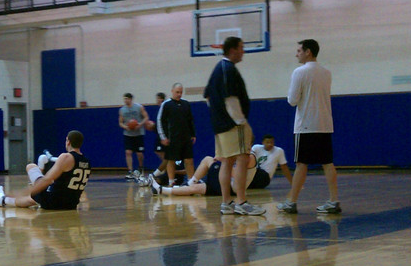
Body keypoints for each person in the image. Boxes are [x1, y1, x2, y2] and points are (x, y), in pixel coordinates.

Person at [203, 36, 265, 216]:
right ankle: (241, 202)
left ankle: (226, 203)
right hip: (232, 125)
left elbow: (208, 96)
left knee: (227, 161)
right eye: (241, 48)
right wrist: (242, 123)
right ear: (233, 50)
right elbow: (230, 99)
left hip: (220, 126)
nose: (243, 51)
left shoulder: (218, 69)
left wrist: (218, 116)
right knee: (243, 158)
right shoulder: (228, 70)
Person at [279, 39, 340, 214]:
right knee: (328, 163)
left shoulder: (299, 72)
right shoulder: (326, 72)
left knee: (301, 164)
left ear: (308, 52)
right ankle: (334, 200)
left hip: (305, 125)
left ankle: (291, 202)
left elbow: (292, 100)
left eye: (299, 50)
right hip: (325, 124)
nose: (296, 54)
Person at [0, 130, 90, 210]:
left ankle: (3, 200)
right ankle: (2, 200)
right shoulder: (87, 161)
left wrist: (27, 190)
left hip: (53, 201)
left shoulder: (66, 157)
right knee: (34, 199)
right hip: (71, 204)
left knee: (31, 166)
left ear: (68, 141)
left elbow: (47, 180)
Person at [142, 154, 265, 214]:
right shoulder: (241, 156)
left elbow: (236, 175)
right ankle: (161, 190)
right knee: (195, 189)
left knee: (207, 160)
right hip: (226, 186)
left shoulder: (249, 158)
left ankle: (190, 181)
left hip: (232, 187)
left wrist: (224, 161)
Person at [157, 82, 196, 188]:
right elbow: (160, 120)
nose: (179, 94)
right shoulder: (166, 104)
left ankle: (191, 181)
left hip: (185, 137)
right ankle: (171, 181)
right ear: (172, 91)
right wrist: (163, 137)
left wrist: (193, 134)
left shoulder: (186, 104)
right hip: (172, 138)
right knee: (171, 160)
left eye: (181, 92)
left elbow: (190, 120)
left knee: (189, 159)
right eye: (177, 92)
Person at [118, 93, 150, 179]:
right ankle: (130, 171)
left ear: (131, 99)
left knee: (139, 154)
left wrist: (140, 124)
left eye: (127, 99)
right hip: (128, 134)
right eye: (124, 99)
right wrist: (125, 127)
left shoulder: (139, 107)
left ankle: (140, 168)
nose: (126, 100)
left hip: (138, 133)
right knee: (128, 152)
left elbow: (146, 117)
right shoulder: (122, 110)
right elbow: (120, 122)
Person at [150, 91, 169, 182]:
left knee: (164, 154)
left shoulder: (164, 107)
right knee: (159, 152)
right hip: (160, 134)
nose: (157, 100)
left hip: (164, 135)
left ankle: (164, 169)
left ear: (161, 99)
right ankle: (165, 168)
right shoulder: (161, 108)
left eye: (158, 98)